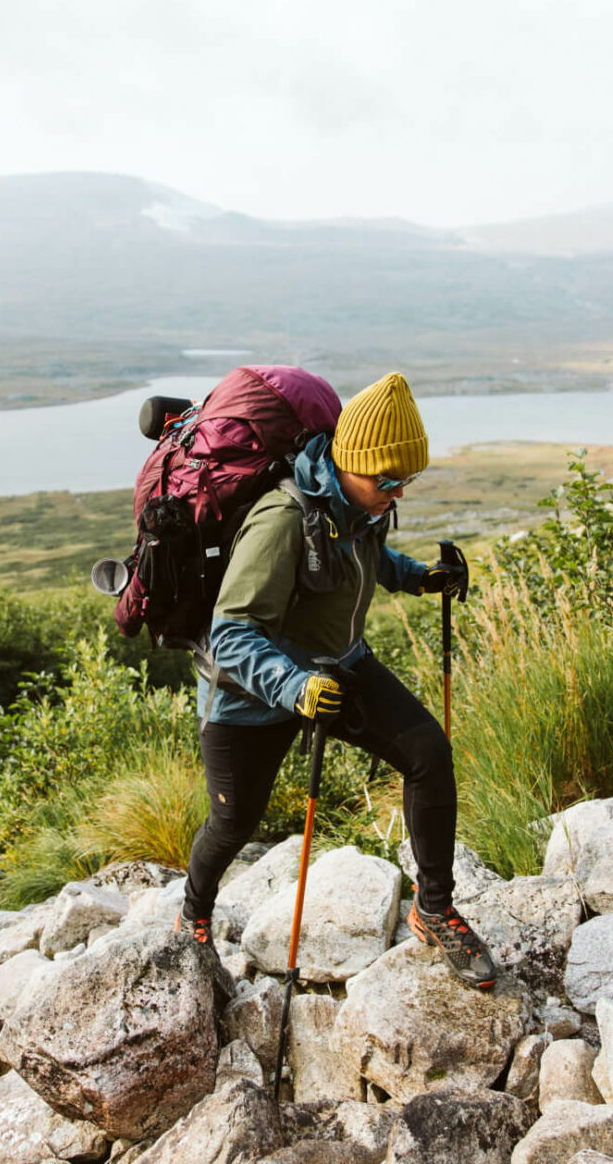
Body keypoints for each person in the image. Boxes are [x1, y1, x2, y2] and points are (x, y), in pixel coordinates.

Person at [178, 370, 497, 989]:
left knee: (428, 753)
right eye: (389, 479)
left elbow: (367, 558)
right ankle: (192, 916)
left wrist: (419, 578)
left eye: (408, 480)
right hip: (248, 698)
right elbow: (231, 632)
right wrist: (294, 688)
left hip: (340, 665)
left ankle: (433, 909)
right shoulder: (281, 520)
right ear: (350, 463)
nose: (398, 493)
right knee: (233, 824)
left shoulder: (363, 505)